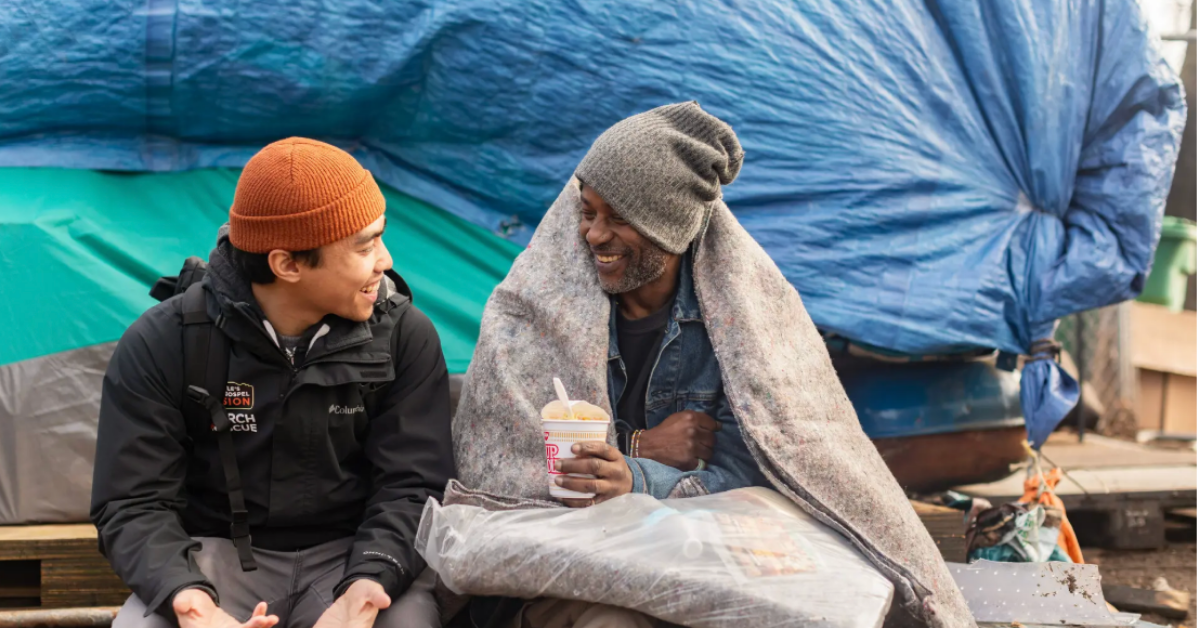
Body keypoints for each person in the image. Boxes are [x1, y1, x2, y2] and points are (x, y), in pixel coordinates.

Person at [91, 138, 455, 628]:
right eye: (364, 245)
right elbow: (134, 502)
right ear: (287, 265)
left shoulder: (405, 336)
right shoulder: (164, 340)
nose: (384, 260)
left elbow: (414, 486)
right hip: (214, 563)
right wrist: (188, 599)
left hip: (354, 557)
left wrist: (368, 585)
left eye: (380, 237)